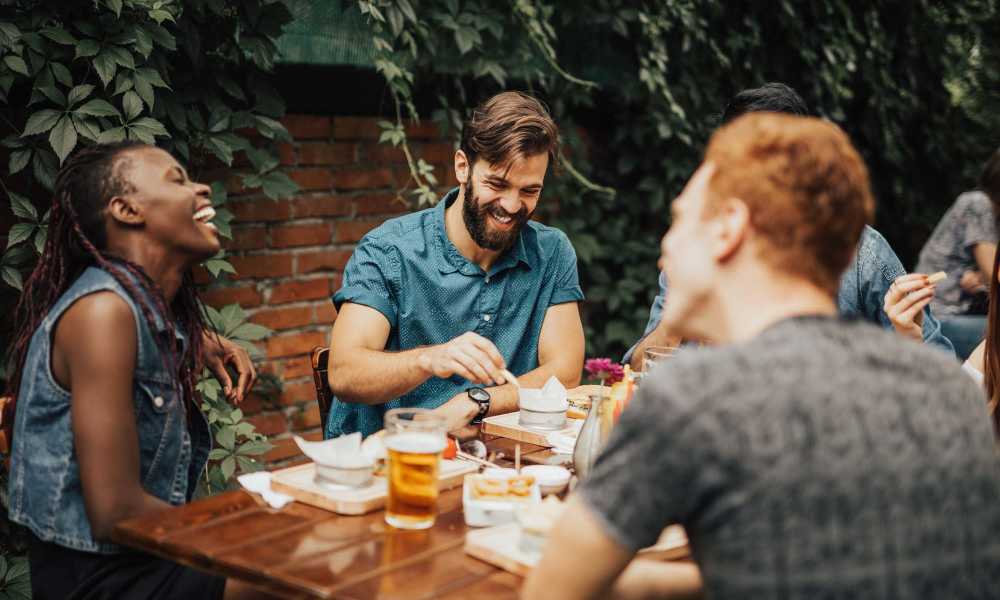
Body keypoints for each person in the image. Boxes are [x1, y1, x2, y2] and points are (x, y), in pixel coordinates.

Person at [524, 114, 1000, 600]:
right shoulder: (950, 392)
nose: (664, 253)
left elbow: (554, 591)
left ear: (728, 228)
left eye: (679, 221)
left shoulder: (695, 395)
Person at [3, 142, 266, 600]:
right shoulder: (103, 314)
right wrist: (246, 521)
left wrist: (193, 339)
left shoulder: (136, 315)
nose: (201, 187)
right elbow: (116, 512)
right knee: (295, 574)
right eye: (177, 179)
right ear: (126, 209)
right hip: (103, 579)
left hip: (141, 559)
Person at [625, 83, 954, 369]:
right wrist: (680, 315)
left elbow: (942, 368)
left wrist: (908, 338)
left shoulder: (861, 250)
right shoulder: (699, 249)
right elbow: (639, 373)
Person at [325, 91, 585, 438]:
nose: (511, 205)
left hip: (497, 465)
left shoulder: (551, 252)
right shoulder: (390, 250)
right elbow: (344, 372)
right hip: (390, 463)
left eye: (529, 191)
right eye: (497, 184)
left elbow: (565, 373)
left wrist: (476, 400)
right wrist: (429, 359)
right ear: (462, 167)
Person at [915, 148, 1000, 360]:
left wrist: (979, 279)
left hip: (958, 313)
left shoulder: (992, 217)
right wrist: (984, 278)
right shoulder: (978, 204)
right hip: (937, 317)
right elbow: (994, 275)